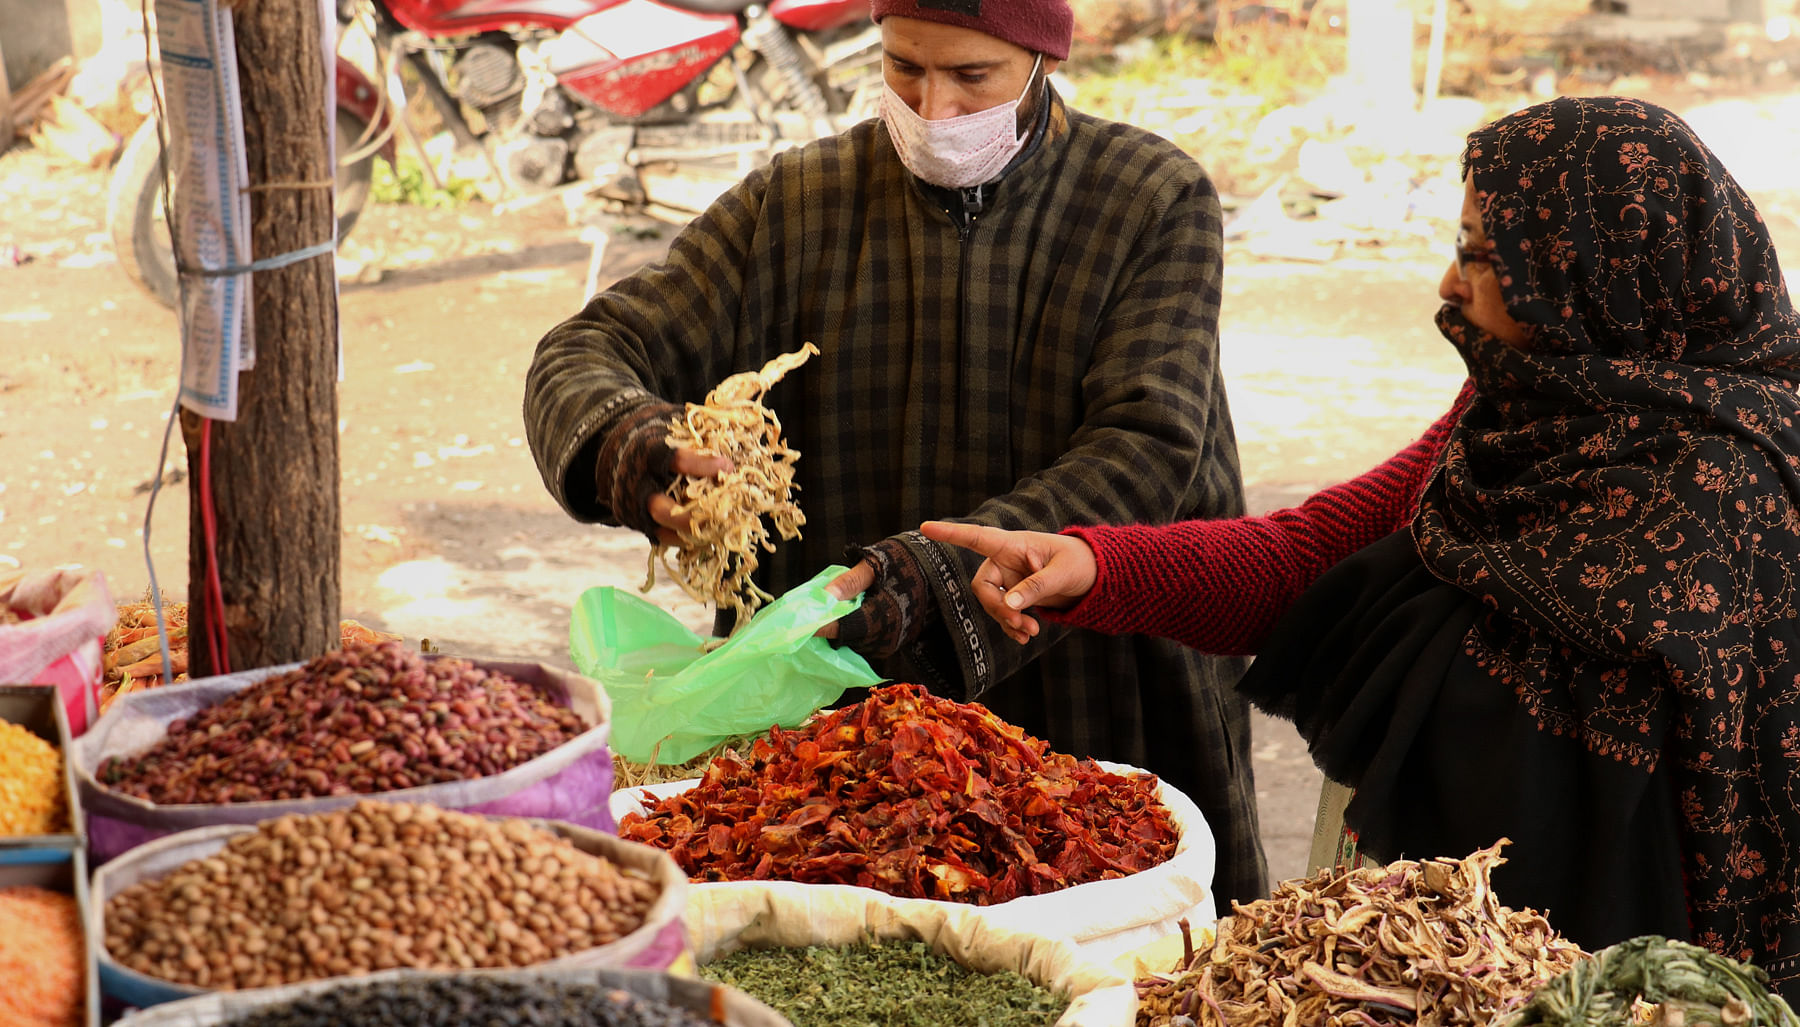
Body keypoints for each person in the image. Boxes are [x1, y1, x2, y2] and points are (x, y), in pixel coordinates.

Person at [924, 94, 1800, 996]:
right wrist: (1098, 566)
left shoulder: (1723, 498)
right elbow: (1316, 552)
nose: (1448, 286)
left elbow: (1718, 825)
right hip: (1419, 958)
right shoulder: (1514, 417)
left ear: (1592, 277)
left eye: (1481, 257)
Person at [522, 0, 1270, 902]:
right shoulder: (798, 203)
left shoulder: (1147, 198)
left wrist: (929, 578)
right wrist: (633, 448)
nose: (934, 108)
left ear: (1040, 57)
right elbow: (586, 351)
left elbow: (1146, 444)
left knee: (1113, 933)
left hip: (1091, 679)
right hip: (843, 723)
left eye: (972, 78)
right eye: (904, 67)